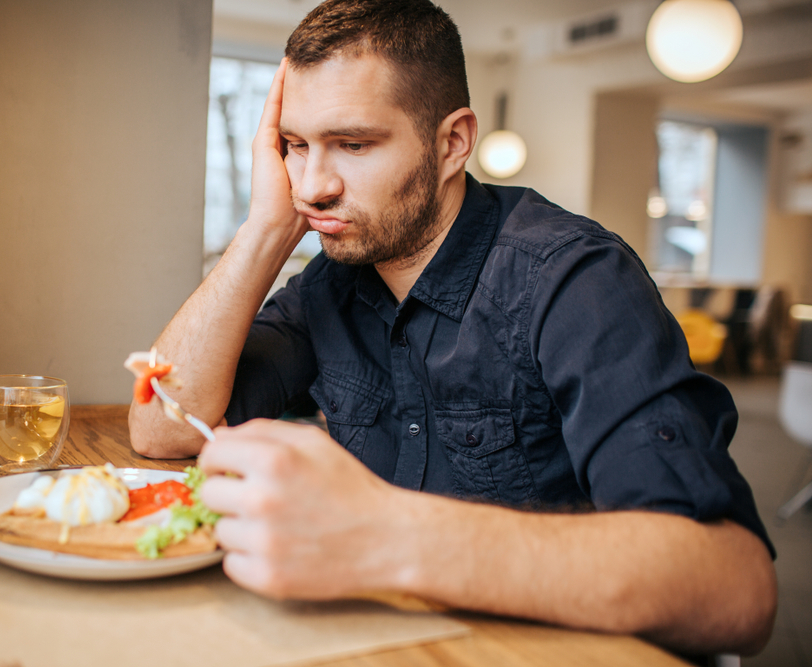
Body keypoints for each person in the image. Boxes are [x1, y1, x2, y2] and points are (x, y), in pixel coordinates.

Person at [129, 0, 776, 657]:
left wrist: (386, 533)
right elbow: (161, 424)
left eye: (352, 144)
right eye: (295, 146)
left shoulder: (574, 280)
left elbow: (736, 589)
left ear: (452, 143)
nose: (312, 186)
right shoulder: (329, 283)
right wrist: (267, 227)